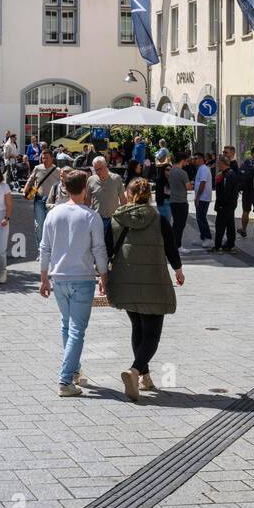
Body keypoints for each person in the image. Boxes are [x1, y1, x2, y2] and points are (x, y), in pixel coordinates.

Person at [105, 177, 184, 402]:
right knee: (152, 333)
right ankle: (135, 370)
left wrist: (102, 275)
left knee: (138, 327)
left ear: (128, 194)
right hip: (154, 281)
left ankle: (144, 377)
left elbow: (107, 248)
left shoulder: (116, 219)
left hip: (125, 282)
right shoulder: (159, 220)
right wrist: (178, 270)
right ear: (149, 195)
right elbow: (171, 248)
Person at [39, 170, 108, 397]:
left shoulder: (53, 214)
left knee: (67, 326)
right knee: (76, 330)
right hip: (82, 278)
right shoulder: (91, 216)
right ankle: (65, 380)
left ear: (65, 188)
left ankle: (75, 369)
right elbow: (99, 249)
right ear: (85, 189)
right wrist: (104, 275)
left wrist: (43, 278)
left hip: (58, 278)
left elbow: (45, 248)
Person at [24, 149, 60, 246]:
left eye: (47, 158)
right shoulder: (37, 168)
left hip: (52, 202)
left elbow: (63, 184)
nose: (44, 160)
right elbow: (30, 181)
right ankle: (41, 248)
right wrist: (25, 191)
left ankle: (51, 248)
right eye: (43, 158)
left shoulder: (58, 171)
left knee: (51, 225)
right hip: (39, 200)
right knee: (39, 225)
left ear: (52, 158)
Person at [209, 156, 240, 253]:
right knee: (230, 225)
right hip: (231, 205)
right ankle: (231, 246)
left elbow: (226, 192)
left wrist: (221, 204)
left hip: (225, 205)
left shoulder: (227, 175)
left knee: (220, 226)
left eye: (218, 163)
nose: (217, 165)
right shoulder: (230, 174)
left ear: (222, 163)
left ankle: (218, 247)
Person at [87, 156, 124, 230]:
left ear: (106, 165)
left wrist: (124, 216)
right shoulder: (91, 180)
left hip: (113, 219)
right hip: (97, 219)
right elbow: (87, 200)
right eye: (95, 170)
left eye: (100, 169)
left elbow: (123, 199)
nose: (98, 172)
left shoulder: (116, 179)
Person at [167, 154, 191, 249]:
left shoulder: (170, 171)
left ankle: (172, 244)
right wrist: (191, 184)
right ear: (183, 161)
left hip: (173, 200)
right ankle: (178, 245)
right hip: (181, 201)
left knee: (176, 224)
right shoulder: (182, 173)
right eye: (186, 161)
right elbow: (188, 187)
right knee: (180, 225)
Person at [192, 152, 212, 244]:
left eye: (195, 158)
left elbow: (203, 183)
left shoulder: (203, 169)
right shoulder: (201, 169)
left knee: (201, 218)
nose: (194, 160)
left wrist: (198, 197)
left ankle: (208, 238)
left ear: (201, 159)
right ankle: (203, 237)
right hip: (201, 197)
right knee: (199, 217)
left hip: (203, 198)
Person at [154, 152, 171, 222]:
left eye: (171, 170)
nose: (169, 171)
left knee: (167, 220)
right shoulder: (160, 180)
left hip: (169, 202)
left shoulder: (170, 180)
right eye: (167, 170)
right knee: (165, 221)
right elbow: (158, 194)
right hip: (163, 202)